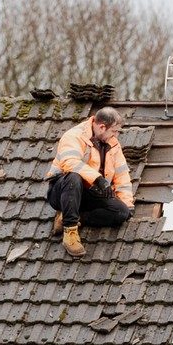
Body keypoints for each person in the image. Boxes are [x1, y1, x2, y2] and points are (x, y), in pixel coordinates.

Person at [44, 106, 135, 257]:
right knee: (74, 177)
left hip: (89, 191)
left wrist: (127, 203)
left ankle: (78, 217)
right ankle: (70, 231)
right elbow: (69, 162)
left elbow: (122, 174)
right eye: (114, 131)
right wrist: (98, 179)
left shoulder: (112, 143)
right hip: (62, 190)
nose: (116, 135)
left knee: (121, 212)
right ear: (101, 127)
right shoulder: (74, 136)